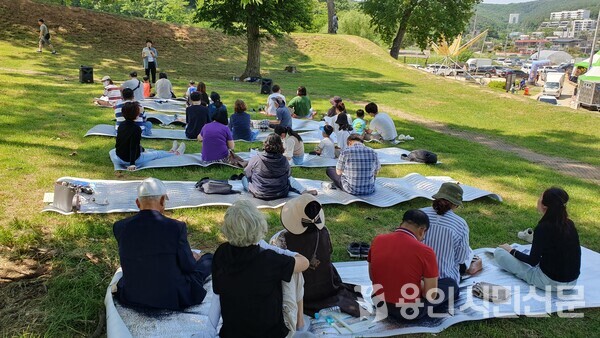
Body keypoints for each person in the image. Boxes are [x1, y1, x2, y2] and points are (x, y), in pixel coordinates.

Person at [212, 200, 310, 338]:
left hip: (231, 332)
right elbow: (304, 262)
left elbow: (217, 294)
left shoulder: (221, 253)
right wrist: (275, 249)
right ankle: (299, 323)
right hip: (272, 334)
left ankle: (299, 323)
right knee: (294, 271)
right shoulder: (269, 259)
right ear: (258, 226)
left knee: (288, 267)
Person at [113, 178, 212, 310]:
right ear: (162, 201)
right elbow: (188, 267)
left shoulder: (120, 226)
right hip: (170, 296)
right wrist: (192, 257)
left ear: (137, 203)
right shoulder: (176, 227)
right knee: (208, 260)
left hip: (133, 294)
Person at [271, 195, 361, 317]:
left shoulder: (280, 239)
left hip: (298, 290)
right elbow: (328, 253)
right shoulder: (324, 231)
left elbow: (276, 268)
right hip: (326, 283)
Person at [369, 209, 456, 322]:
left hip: (378, 302)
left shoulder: (378, 240)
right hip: (408, 311)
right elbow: (431, 295)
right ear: (421, 230)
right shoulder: (425, 251)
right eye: (424, 236)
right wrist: (420, 282)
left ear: (402, 224)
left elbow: (372, 276)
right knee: (451, 284)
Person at [495, 187, 580, 291]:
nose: (538, 199)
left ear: (544, 205)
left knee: (499, 252)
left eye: (540, 197)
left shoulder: (543, 228)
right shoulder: (569, 224)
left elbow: (533, 261)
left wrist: (511, 250)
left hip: (550, 282)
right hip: (572, 282)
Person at [421, 183, 472, 286]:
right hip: (444, 280)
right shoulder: (460, 224)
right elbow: (461, 258)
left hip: (416, 278)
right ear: (455, 205)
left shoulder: (419, 214)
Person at [242, 134, 315, 200]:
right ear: (280, 145)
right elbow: (288, 175)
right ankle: (303, 191)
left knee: (244, 178)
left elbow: (247, 173)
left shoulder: (256, 159)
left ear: (265, 144)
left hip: (260, 193)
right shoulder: (283, 160)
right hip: (281, 193)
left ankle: (252, 189)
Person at [115, 102, 185, 171]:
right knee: (157, 154)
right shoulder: (136, 128)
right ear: (136, 114)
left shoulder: (122, 125)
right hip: (130, 160)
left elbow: (121, 142)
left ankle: (170, 152)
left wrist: (142, 150)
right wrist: (132, 164)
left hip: (120, 157)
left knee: (149, 150)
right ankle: (176, 154)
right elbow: (133, 146)